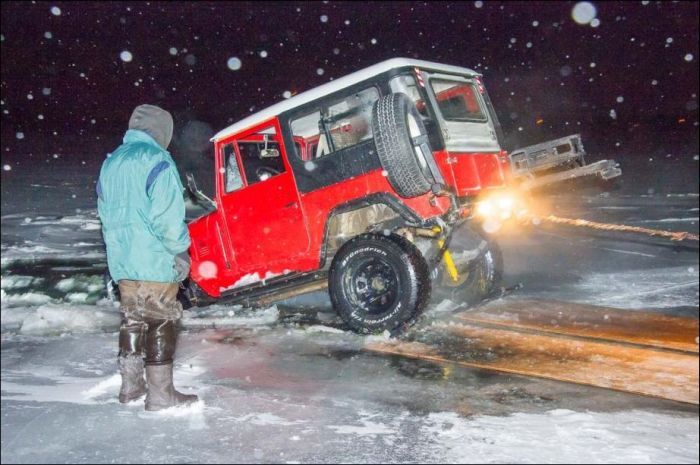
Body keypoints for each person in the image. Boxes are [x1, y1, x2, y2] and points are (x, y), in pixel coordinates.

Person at [97, 104, 198, 411]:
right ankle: (160, 394)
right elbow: (167, 218)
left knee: (133, 319)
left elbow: (104, 214)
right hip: (154, 258)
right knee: (160, 320)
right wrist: (180, 250)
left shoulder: (111, 162)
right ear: (160, 132)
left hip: (123, 259)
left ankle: (130, 386)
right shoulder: (158, 161)